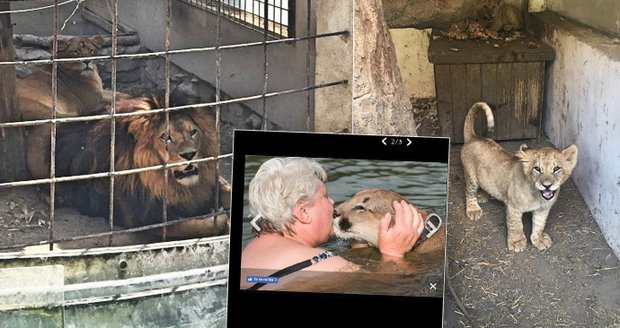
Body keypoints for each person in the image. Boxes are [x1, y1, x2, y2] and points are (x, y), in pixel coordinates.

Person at [240, 157, 425, 290]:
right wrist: (393, 254)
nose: (333, 204)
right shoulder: (324, 265)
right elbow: (394, 288)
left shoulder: (248, 252)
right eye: (325, 196)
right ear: (303, 211)